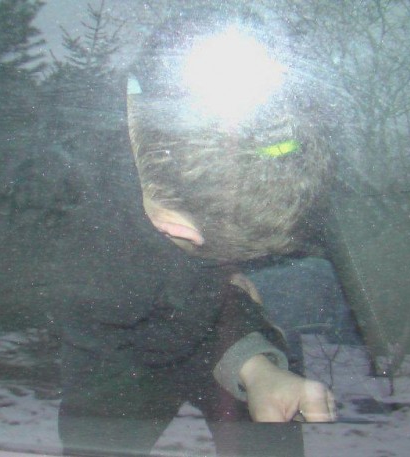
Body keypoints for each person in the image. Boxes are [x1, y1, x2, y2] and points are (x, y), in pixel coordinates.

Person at [58, 5, 336, 455]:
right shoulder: (69, 219)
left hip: (209, 329)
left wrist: (257, 368)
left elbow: (205, 292)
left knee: (273, 423)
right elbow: (119, 325)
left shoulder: (232, 160)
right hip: (113, 359)